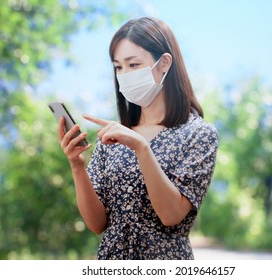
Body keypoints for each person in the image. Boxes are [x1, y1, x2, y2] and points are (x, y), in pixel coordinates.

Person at [58, 16, 218, 260]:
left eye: (133, 65)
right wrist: (77, 166)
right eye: (118, 67)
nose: (124, 74)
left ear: (164, 63)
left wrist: (142, 148)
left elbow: (171, 215)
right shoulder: (112, 136)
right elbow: (97, 224)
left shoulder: (199, 134)